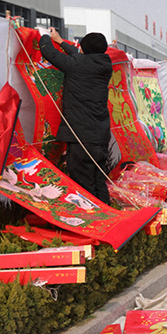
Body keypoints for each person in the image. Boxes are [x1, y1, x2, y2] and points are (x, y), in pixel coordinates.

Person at [38, 28, 113, 204]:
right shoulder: (105, 64)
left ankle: (92, 223)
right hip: (100, 136)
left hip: (82, 137)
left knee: (83, 184)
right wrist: (61, 42)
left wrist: (43, 35)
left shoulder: (77, 64)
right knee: (98, 181)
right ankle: (107, 218)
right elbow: (79, 56)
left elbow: (48, 52)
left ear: (83, 48)